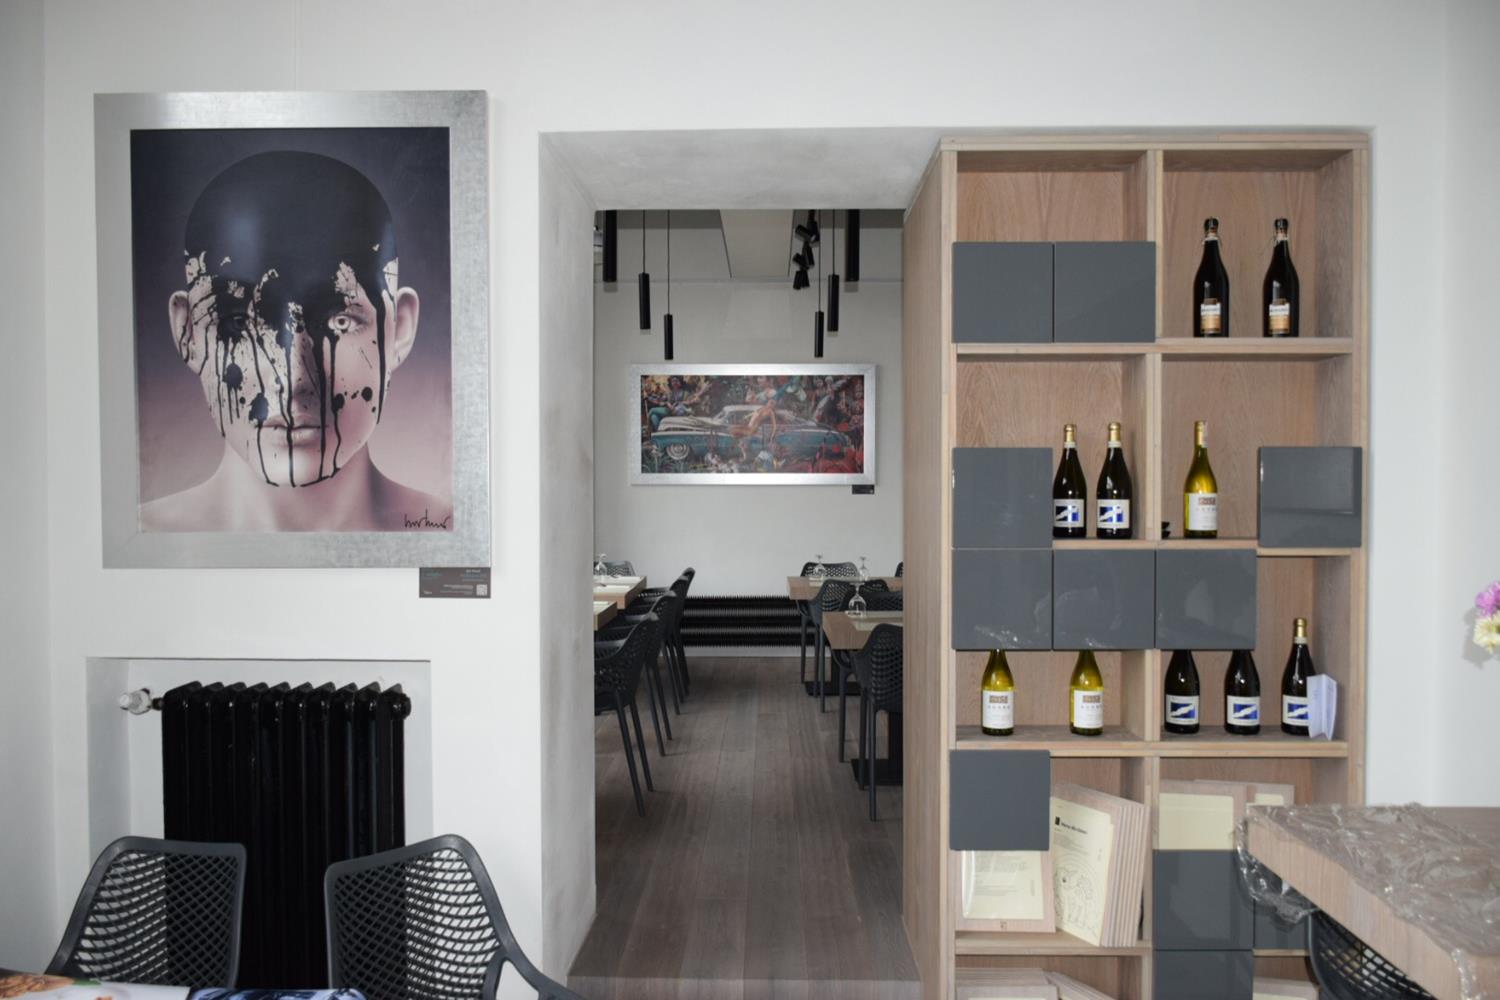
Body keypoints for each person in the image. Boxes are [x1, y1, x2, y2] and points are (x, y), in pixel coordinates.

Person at [139, 150, 450, 532]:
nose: (294, 380)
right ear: (188, 333)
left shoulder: (449, 533)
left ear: (399, 329)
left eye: (339, 321)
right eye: (240, 322)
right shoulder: (139, 540)